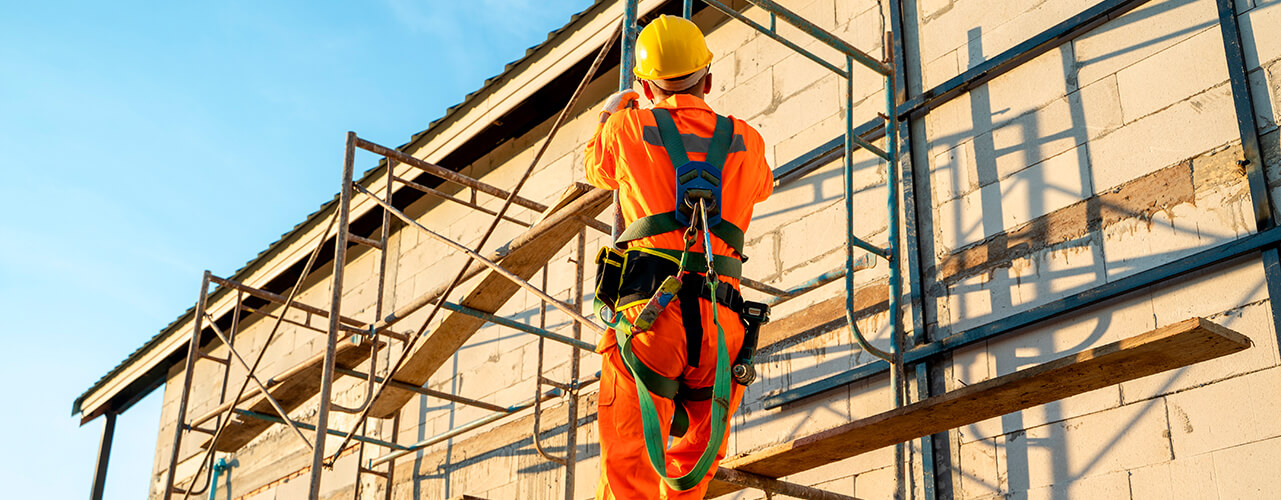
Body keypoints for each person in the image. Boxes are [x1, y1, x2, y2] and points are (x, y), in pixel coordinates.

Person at [584, 14, 774, 499]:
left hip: (650, 318)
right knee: (693, 467)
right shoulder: (747, 140)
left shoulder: (628, 127)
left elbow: (593, 169)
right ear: (707, 79)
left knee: (631, 467)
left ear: (646, 88)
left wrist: (613, 110)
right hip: (721, 323)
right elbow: (762, 188)